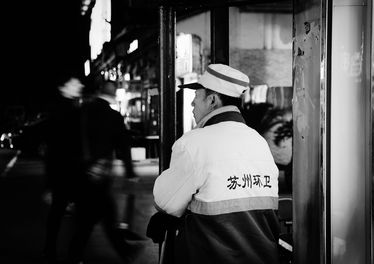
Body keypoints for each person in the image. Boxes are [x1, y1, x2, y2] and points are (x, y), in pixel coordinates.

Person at [150, 64, 281, 264]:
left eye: (196, 98)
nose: (192, 104)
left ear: (212, 100)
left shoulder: (193, 143)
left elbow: (165, 202)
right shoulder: (258, 141)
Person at [65, 77, 141, 264]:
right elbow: (124, 147)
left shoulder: (83, 111)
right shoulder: (113, 117)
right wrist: (129, 172)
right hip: (100, 175)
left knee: (97, 215)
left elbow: (69, 143)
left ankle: (124, 250)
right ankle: (123, 251)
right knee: (97, 216)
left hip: (81, 172)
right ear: (113, 94)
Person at [43, 70, 85, 263]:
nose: (79, 86)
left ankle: (53, 252)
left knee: (58, 216)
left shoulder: (66, 109)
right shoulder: (67, 111)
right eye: (74, 83)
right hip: (67, 173)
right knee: (69, 215)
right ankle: (70, 254)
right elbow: (56, 149)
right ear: (64, 87)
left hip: (65, 172)